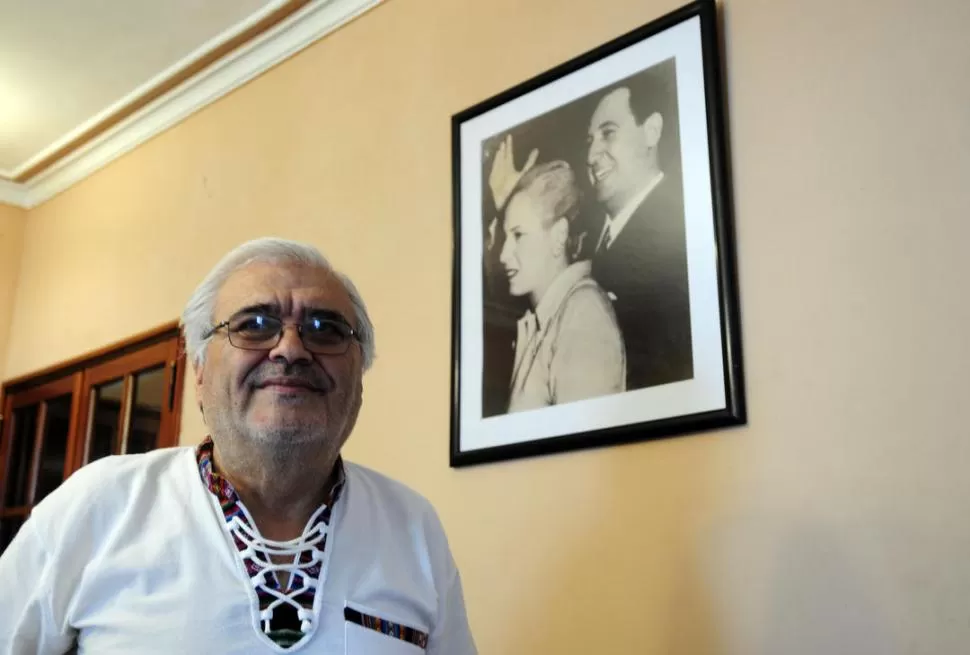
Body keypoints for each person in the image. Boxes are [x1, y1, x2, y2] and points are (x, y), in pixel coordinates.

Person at [0, 238, 477, 654]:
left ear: (360, 374)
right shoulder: (100, 506)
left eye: (325, 330)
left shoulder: (414, 528)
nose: (290, 348)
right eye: (254, 324)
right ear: (200, 370)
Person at [587, 73, 694, 391]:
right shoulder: (588, 237)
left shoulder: (683, 238)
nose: (591, 156)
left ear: (651, 132)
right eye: (589, 141)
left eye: (608, 134)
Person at [497, 159, 625, 412]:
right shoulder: (548, 319)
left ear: (559, 236)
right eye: (505, 237)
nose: (503, 254)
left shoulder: (583, 315)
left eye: (518, 235)